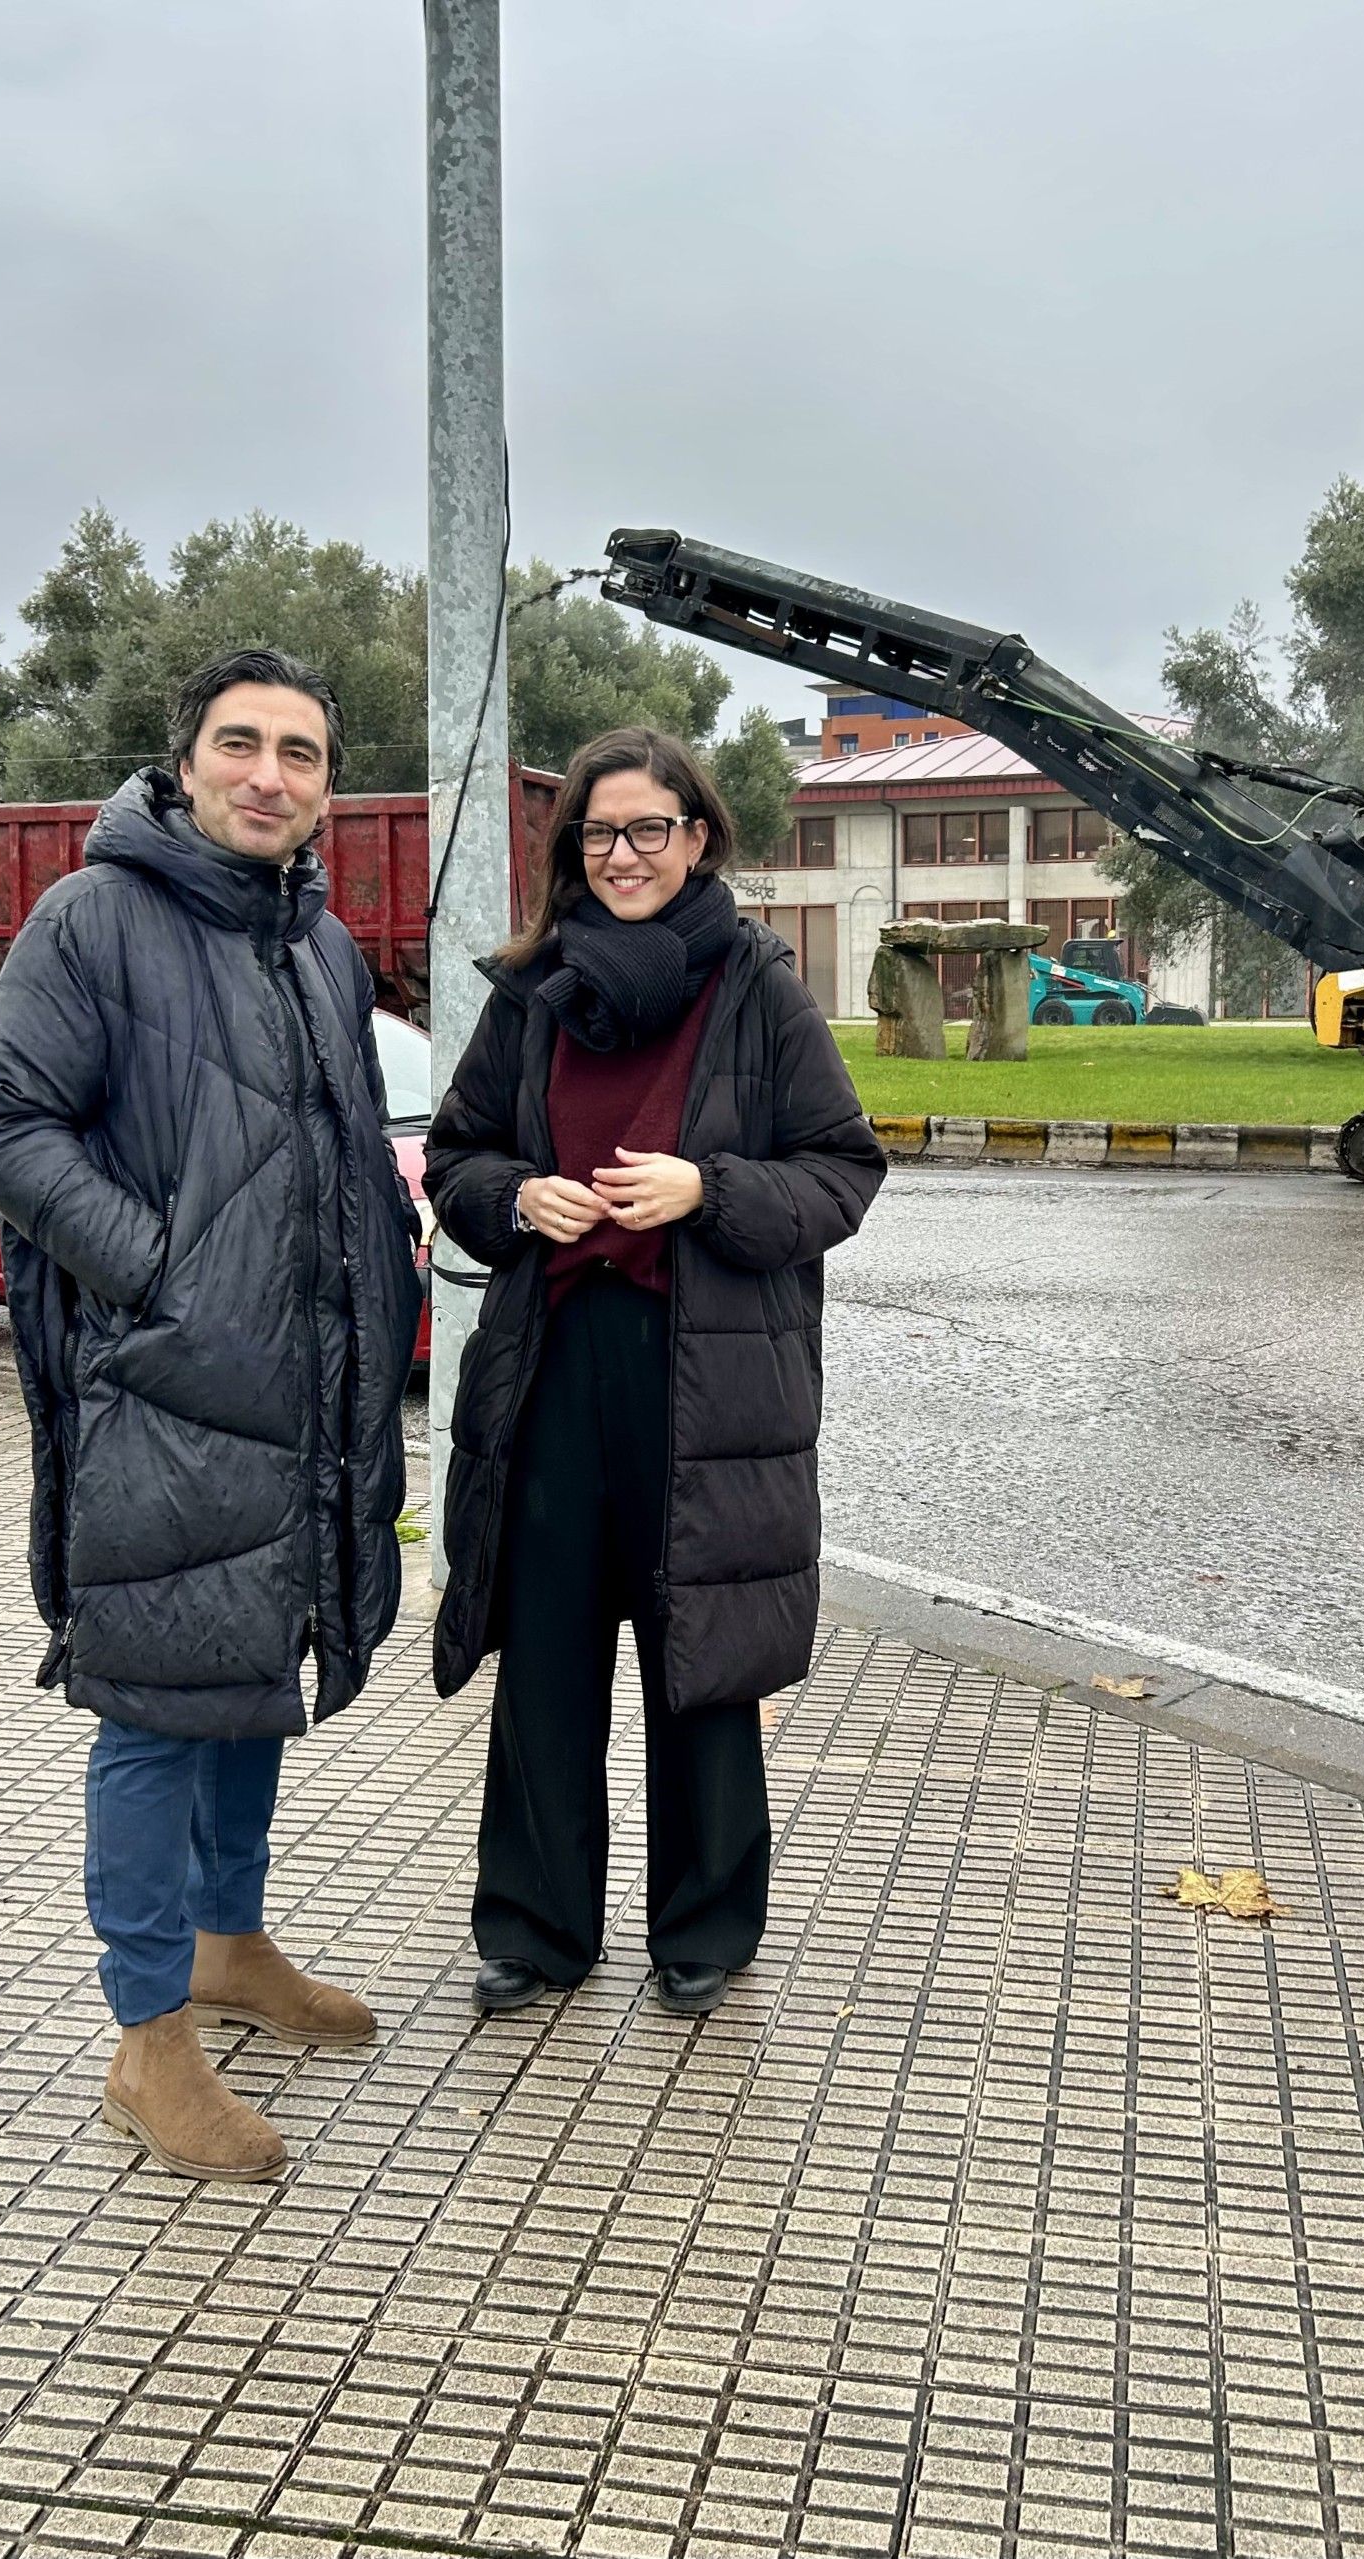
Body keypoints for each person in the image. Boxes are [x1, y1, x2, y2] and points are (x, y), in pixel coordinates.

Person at [0, 648, 422, 2182]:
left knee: (251, 1670)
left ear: (322, 786)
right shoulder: (95, 918)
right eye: (243, 744)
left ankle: (231, 1943)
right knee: (156, 1702)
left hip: (301, 1394)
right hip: (163, 1391)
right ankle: (148, 2040)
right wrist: (160, 1274)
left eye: (300, 751)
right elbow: (3, 1122)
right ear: (188, 761)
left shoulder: (321, 948)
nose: (271, 774)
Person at [426, 727, 884, 2017]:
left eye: (650, 830)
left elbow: (844, 1171)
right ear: (573, 851)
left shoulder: (757, 987)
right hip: (554, 1367)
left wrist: (710, 1187)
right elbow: (457, 1158)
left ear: (698, 839)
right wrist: (519, 1199)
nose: (624, 856)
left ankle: (705, 1926)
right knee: (550, 1653)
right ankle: (534, 1927)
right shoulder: (530, 995)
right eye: (599, 834)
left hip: (710, 1378)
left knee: (704, 1654)